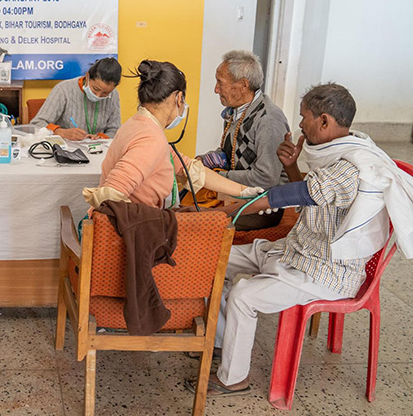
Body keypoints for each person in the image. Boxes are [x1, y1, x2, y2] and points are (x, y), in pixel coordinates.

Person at [197, 83, 413, 397]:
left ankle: (233, 379)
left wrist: (220, 213)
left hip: (325, 271)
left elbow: (287, 196)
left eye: (304, 117)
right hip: (296, 250)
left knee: (244, 295)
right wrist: (291, 167)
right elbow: (313, 198)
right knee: (214, 259)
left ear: (324, 121)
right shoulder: (344, 150)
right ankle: (220, 343)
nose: (299, 125)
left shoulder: (350, 168)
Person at [84, 60, 256, 210]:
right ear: (178, 98)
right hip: (131, 230)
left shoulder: (139, 124)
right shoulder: (150, 139)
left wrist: (244, 191)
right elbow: (111, 194)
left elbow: (188, 169)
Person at [199, 50, 290, 229]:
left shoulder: (268, 119)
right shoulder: (237, 111)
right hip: (236, 194)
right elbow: (230, 154)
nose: (216, 89)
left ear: (243, 85)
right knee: (183, 205)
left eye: (220, 82)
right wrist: (205, 161)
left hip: (261, 207)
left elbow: (266, 178)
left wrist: (216, 177)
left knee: (194, 221)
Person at [31, 57, 122, 140]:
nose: (98, 95)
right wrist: (59, 132)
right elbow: (37, 124)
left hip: (97, 149)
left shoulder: (113, 95)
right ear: (87, 76)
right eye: (95, 89)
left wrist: (102, 137)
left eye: (105, 93)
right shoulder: (64, 90)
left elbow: (114, 129)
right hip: (66, 148)